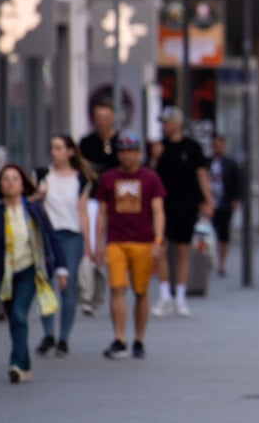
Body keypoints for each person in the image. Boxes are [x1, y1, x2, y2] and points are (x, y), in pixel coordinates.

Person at [0, 164, 67, 384]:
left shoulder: (33, 211)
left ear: (23, 184)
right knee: (14, 319)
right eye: (5, 179)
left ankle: (15, 362)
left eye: (15, 179)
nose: (10, 183)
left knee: (19, 314)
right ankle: (24, 365)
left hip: (29, 271)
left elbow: (51, 238)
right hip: (5, 274)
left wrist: (61, 268)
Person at [96, 135, 166, 359]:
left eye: (130, 150)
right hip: (115, 240)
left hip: (143, 241)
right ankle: (119, 338)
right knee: (117, 288)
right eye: (122, 151)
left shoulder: (150, 178)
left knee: (141, 291)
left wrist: (158, 240)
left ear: (138, 153)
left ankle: (138, 338)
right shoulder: (108, 178)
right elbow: (101, 213)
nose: (126, 155)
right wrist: (97, 243)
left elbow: (158, 210)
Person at [32, 133, 95, 357]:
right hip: (48, 235)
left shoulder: (81, 179)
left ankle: (64, 338)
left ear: (70, 151)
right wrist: (39, 195)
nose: (54, 152)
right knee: (45, 285)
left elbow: (83, 212)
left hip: (72, 235)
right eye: (52, 147)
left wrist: (88, 244)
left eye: (59, 148)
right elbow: (29, 203)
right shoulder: (42, 175)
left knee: (67, 285)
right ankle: (48, 333)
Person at [150, 106, 214, 317]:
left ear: (177, 123)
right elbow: (150, 175)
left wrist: (207, 199)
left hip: (187, 204)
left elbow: (201, 175)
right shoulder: (159, 148)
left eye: (167, 122)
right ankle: (164, 294)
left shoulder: (192, 147)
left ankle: (180, 296)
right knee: (161, 247)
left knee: (182, 251)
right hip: (163, 205)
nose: (164, 126)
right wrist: (155, 158)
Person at [77, 99, 121, 316]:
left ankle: (110, 286)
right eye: (99, 118)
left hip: (118, 202)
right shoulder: (87, 143)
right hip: (94, 199)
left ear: (113, 118)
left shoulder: (121, 142)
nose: (103, 122)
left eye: (106, 117)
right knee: (91, 243)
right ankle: (89, 291)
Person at [208, 133, 242, 277]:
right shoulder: (207, 162)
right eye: (215, 144)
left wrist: (235, 199)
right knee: (208, 233)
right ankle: (209, 259)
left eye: (219, 144)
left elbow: (237, 182)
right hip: (210, 203)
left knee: (223, 234)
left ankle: (222, 262)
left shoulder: (230, 164)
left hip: (224, 203)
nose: (217, 146)